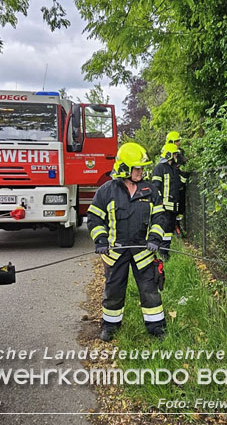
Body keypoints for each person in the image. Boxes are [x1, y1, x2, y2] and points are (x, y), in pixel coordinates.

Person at [87, 142, 168, 341]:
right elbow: (94, 218)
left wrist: (155, 238)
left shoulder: (150, 190)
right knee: (113, 290)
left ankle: (156, 327)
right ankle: (110, 326)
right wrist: (101, 239)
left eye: (141, 168)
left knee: (150, 291)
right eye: (137, 168)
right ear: (124, 168)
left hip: (143, 251)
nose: (141, 171)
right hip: (115, 252)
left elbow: (159, 217)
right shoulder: (107, 190)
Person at [151, 143, 181, 260]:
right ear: (169, 154)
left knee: (169, 230)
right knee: (164, 228)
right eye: (174, 154)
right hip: (164, 206)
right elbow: (155, 187)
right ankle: (162, 252)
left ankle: (165, 251)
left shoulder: (173, 168)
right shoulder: (159, 168)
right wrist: (159, 202)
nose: (175, 156)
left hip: (173, 205)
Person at [165, 131, 188, 231]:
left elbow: (185, 163)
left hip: (180, 184)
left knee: (181, 207)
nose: (179, 143)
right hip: (172, 186)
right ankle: (174, 225)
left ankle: (178, 225)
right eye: (177, 141)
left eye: (179, 141)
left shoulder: (181, 153)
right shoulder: (167, 153)